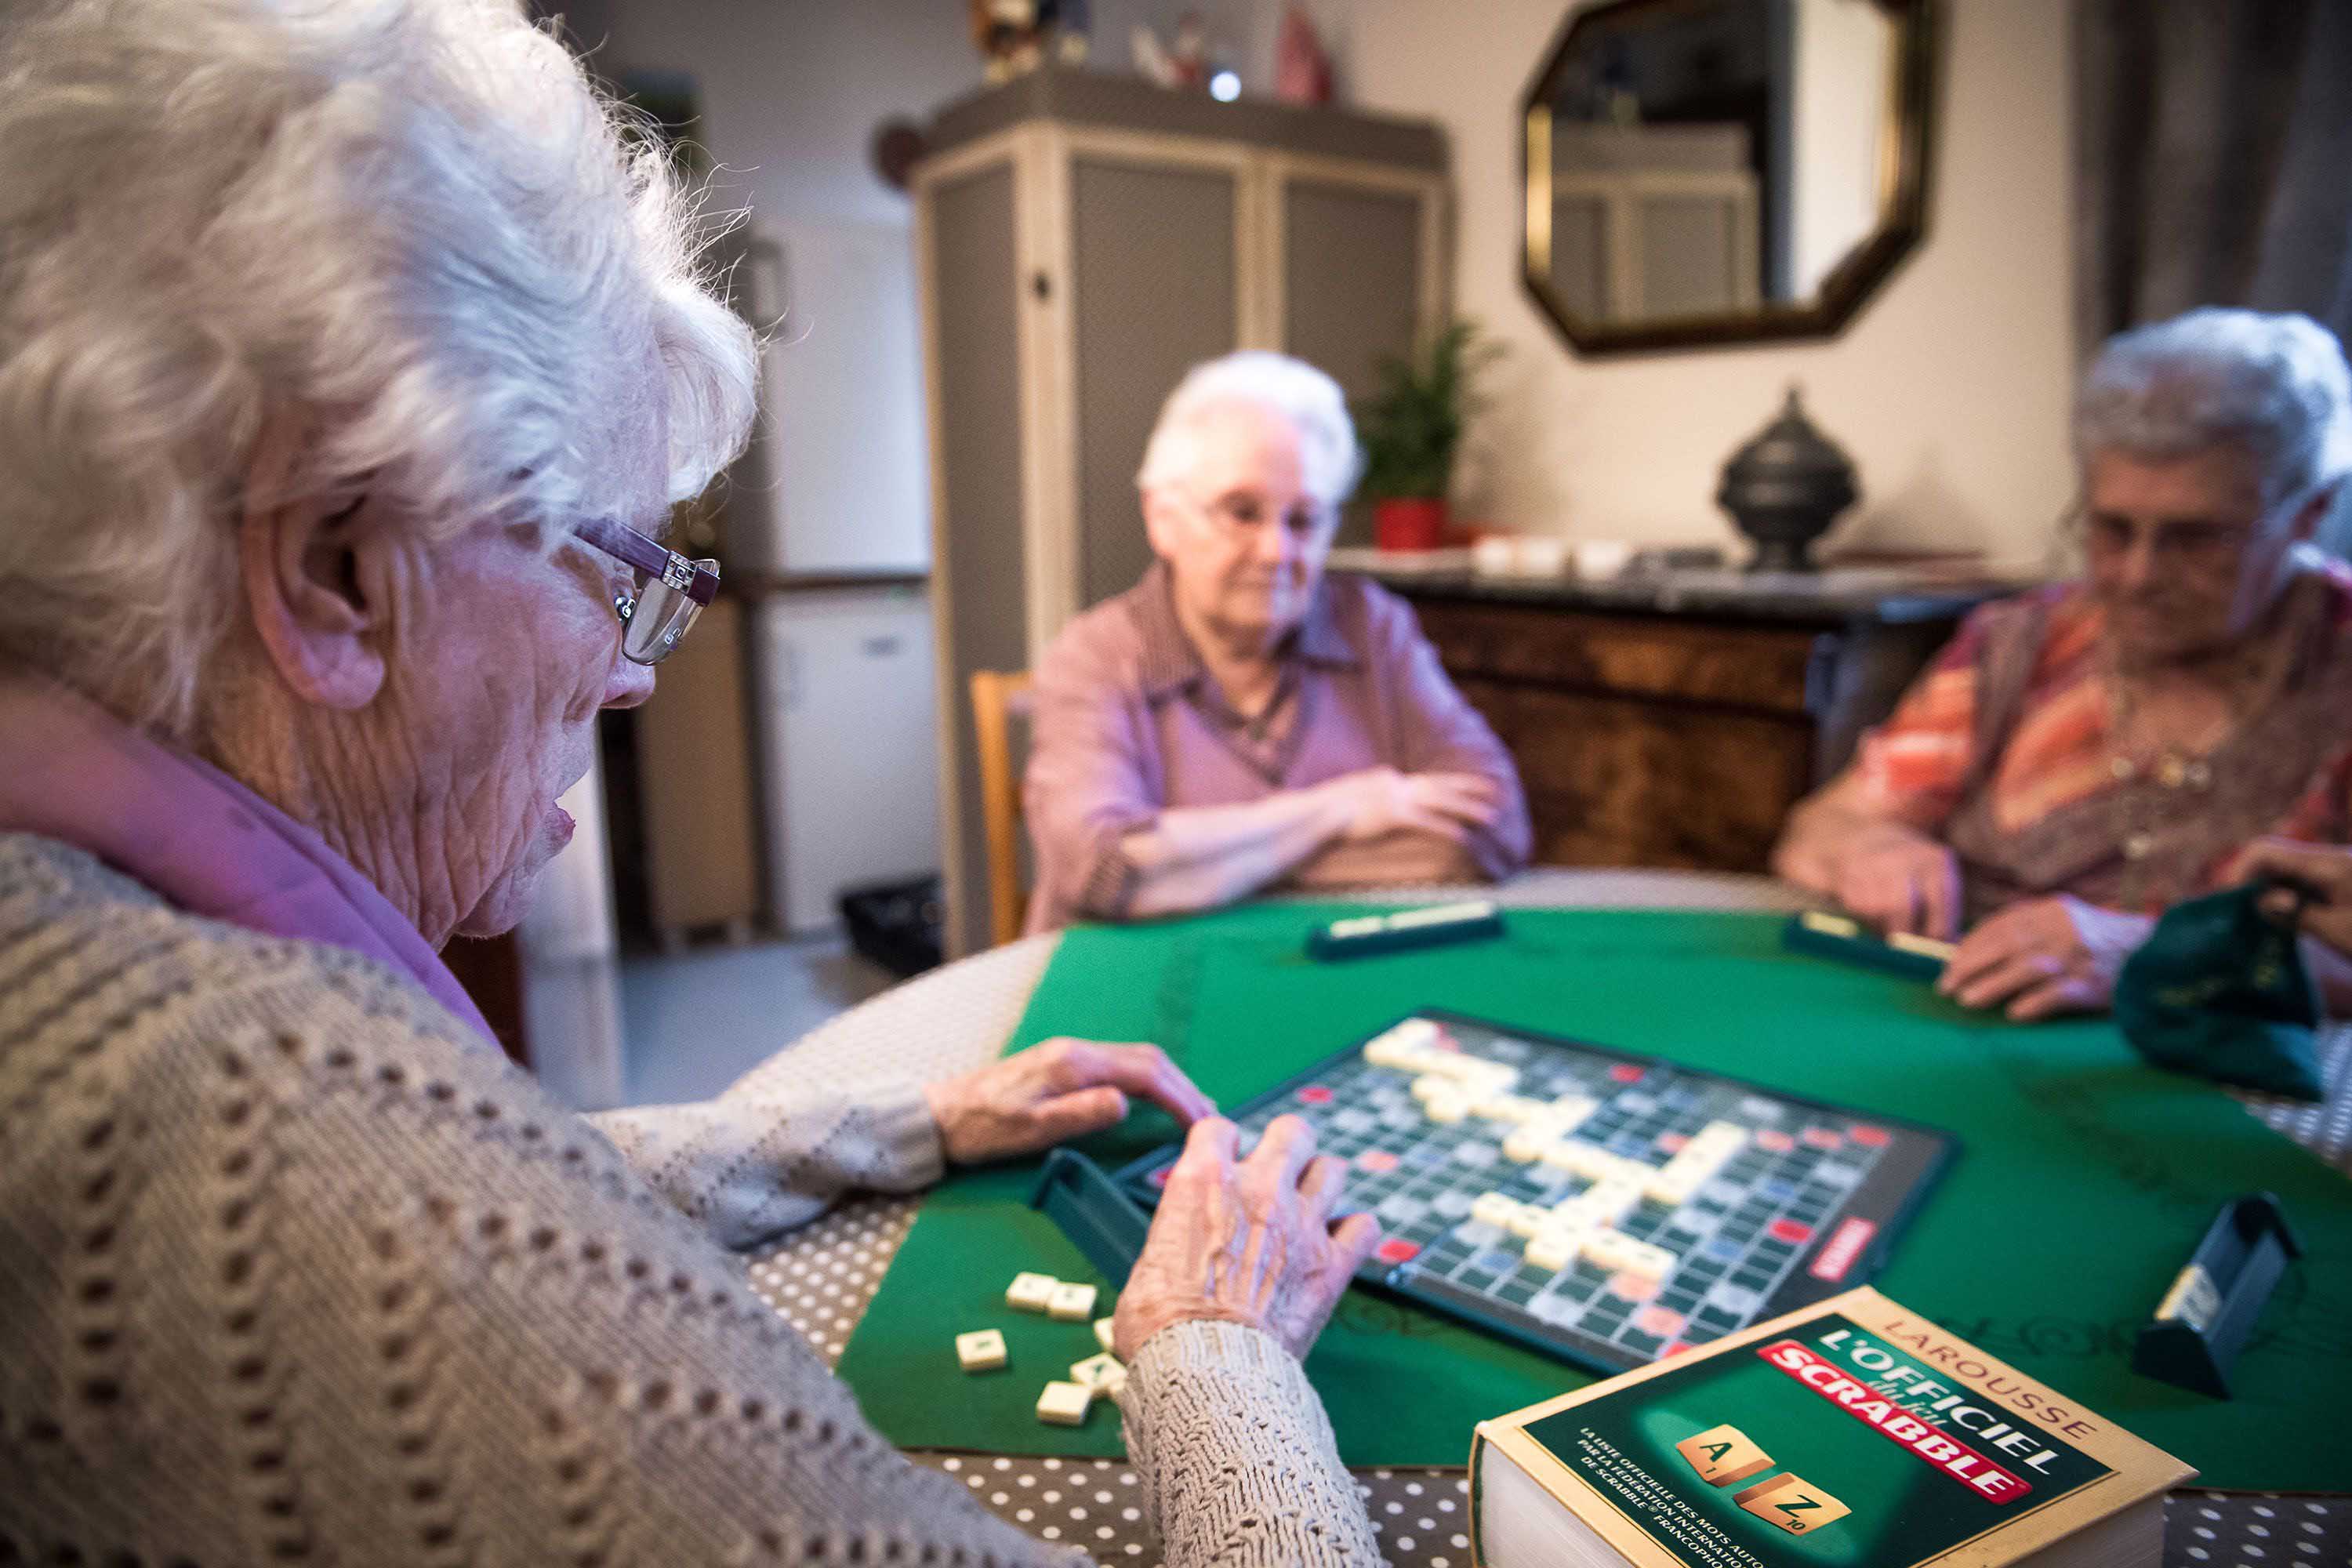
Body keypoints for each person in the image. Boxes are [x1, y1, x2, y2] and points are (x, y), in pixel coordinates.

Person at [0, 2, 1388, 1559]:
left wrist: (920, 1115)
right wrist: (1220, 1346)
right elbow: (441, 1220)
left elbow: (512, 1173)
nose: (635, 668)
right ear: (334, 570)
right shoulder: (302, 1170)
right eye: (616, 570)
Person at [1773, 308, 2352, 1020]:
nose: (2137, 575)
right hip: (1961, 1033)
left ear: (2308, 513)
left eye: (2197, 538)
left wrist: (2158, 954)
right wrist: (1872, 846)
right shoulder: (2019, 644)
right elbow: (1821, 828)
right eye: (2112, 528)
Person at [1022, 350, 1533, 931]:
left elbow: (1493, 827)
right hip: (1118, 999)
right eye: (1242, 513)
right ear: (1161, 518)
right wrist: (1341, 808)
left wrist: (1202, 865)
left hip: (1333, 979)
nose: (1276, 553)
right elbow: (1105, 870)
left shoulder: (1373, 625)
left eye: (1304, 520)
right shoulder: (1093, 655)